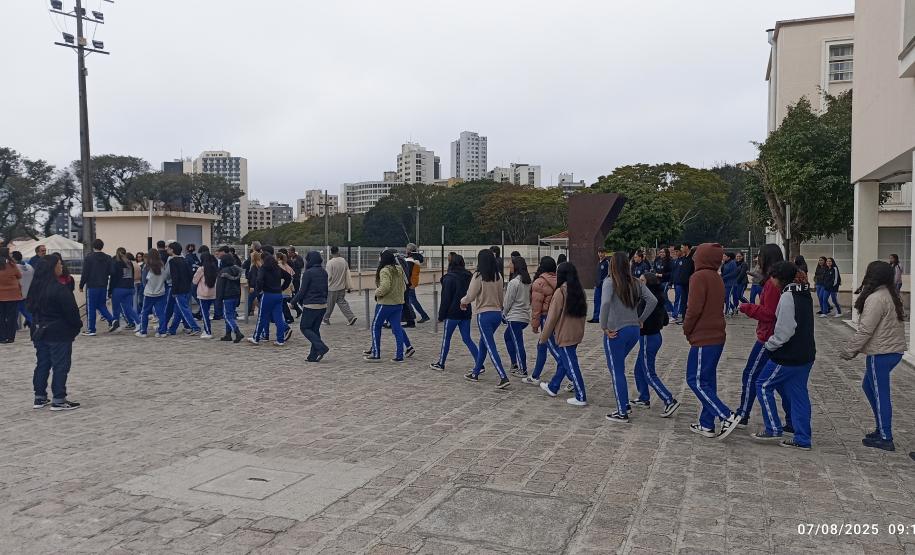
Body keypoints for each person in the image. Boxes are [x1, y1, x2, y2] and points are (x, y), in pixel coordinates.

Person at [840, 261, 907, 452]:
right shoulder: (891, 294)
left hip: (882, 353)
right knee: (868, 387)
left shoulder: (877, 298)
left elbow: (865, 330)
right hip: (889, 350)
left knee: (880, 393)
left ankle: (885, 436)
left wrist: (849, 350)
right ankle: (881, 429)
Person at [752, 262, 816, 450]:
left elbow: (785, 331)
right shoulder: (804, 292)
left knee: (762, 385)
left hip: (788, 355)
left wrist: (770, 345)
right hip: (806, 354)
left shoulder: (788, 297)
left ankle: (773, 427)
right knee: (799, 395)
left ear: (779, 278)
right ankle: (802, 437)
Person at [682, 243, 740, 439]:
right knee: (707, 380)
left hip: (703, 337)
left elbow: (694, 308)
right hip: (717, 336)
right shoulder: (716, 277)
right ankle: (706, 424)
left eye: (696, 255)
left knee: (695, 379)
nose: (693, 258)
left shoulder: (698, 277)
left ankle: (726, 415)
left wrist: (686, 328)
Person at [736, 244, 790, 429]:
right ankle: (792, 419)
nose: (757, 259)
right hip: (775, 335)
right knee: (781, 383)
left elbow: (769, 313)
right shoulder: (775, 282)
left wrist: (747, 308)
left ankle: (743, 413)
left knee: (751, 374)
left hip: (768, 337)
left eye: (760, 256)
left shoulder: (772, 285)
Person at [600, 252, 657, 423]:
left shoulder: (610, 282)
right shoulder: (636, 282)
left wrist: (603, 326)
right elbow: (652, 300)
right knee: (616, 367)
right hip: (633, 329)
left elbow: (604, 303)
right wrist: (641, 319)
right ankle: (624, 404)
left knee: (616, 370)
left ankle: (622, 410)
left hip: (616, 330)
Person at [26, 256, 82, 411]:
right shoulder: (59, 288)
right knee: (60, 365)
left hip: (39, 330)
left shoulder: (35, 288)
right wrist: (76, 326)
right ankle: (58, 398)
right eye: (59, 264)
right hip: (58, 332)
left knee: (42, 364)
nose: (61, 267)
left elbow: (29, 307)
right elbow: (71, 312)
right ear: (52, 268)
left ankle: (40, 396)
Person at [537, 262, 588, 406]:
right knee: (565, 362)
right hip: (576, 332)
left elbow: (551, 318)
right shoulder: (580, 291)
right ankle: (553, 386)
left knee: (571, 365)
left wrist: (543, 338)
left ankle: (581, 395)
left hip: (565, 333)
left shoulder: (561, 292)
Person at [632, 273, 680, 417]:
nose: (639, 283)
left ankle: (668, 399)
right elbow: (665, 320)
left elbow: (642, 320)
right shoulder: (658, 297)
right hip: (655, 336)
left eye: (642, 281)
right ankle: (643, 397)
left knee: (648, 372)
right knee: (638, 369)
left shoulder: (649, 300)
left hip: (648, 337)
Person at [462, 249, 510, 389]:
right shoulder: (498, 276)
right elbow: (501, 298)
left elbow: (470, 296)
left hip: (484, 314)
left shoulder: (478, 276)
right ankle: (476, 372)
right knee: (483, 343)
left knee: (490, 346)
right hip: (496, 313)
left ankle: (503, 376)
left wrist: (462, 301)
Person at [365, 249, 414, 362]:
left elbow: (385, 286)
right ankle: (399, 355)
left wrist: (377, 292)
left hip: (386, 303)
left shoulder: (384, 271)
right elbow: (404, 286)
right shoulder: (398, 268)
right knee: (397, 328)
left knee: (375, 327)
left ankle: (376, 353)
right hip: (398, 303)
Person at [431, 254, 478, 370]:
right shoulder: (469, 276)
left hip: (452, 313)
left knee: (446, 339)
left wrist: (441, 316)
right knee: (467, 338)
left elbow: (445, 299)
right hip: (466, 311)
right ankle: (479, 362)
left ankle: (441, 363)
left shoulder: (449, 278)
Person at [522, 256, 558, 385]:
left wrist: (535, 324)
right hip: (557, 316)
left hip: (545, 317)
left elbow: (536, 306)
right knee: (541, 346)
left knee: (553, 349)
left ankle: (571, 375)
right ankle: (536, 375)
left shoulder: (539, 282)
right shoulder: (559, 280)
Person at [292, 251, 330, 361]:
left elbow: (302, 291)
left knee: (304, 327)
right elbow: (326, 289)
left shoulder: (308, 273)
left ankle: (321, 347)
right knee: (314, 329)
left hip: (311, 304)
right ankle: (313, 355)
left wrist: (293, 302)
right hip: (322, 304)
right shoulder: (324, 272)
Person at [250, 248, 292, 346]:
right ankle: (280, 340)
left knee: (262, 317)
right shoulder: (277, 268)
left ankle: (256, 338)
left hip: (268, 294)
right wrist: (282, 287)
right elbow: (288, 277)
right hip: (278, 295)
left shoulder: (263, 268)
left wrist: (258, 291)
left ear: (263, 260)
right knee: (278, 318)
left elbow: (259, 280)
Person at [78, 239, 116, 336]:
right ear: (102, 246)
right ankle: (112, 320)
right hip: (103, 285)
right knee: (101, 305)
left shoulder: (89, 258)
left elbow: (85, 273)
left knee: (91, 307)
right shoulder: (108, 258)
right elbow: (112, 271)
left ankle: (91, 329)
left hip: (92, 285)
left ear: (93, 246)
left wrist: (81, 285)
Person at [502, 255, 532, 377]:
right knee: (507, 337)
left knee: (518, 342)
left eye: (511, 264)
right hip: (524, 315)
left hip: (515, 316)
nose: (509, 266)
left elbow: (508, 301)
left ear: (516, 266)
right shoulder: (528, 282)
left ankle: (522, 368)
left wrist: (504, 313)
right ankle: (514, 363)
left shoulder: (514, 282)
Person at [136, 249, 170, 338]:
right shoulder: (162, 266)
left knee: (145, 312)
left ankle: (143, 331)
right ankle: (162, 331)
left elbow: (144, 281)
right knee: (161, 313)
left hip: (149, 293)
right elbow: (166, 278)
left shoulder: (147, 267)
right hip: (161, 292)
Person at [109, 247, 141, 331]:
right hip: (130, 288)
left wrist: (110, 290)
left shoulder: (116, 263)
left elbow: (113, 278)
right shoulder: (129, 263)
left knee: (116, 308)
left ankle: (116, 324)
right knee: (129, 307)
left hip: (118, 289)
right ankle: (138, 322)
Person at [324, 246, 357, 326]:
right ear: (338, 251)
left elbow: (328, 276)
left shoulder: (330, 263)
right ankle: (351, 317)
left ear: (331, 253)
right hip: (342, 286)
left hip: (332, 287)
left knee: (329, 304)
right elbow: (347, 272)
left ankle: (325, 319)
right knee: (342, 302)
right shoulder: (343, 261)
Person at [215, 250, 243, 342]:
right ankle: (228, 334)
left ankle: (237, 332)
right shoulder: (236, 270)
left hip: (227, 296)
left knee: (227, 316)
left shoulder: (223, 272)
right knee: (231, 314)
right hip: (235, 295)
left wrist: (218, 300)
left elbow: (220, 287)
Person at [192, 253, 219, 339]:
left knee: (204, 313)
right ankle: (206, 330)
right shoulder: (215, 268)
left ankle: (208, 331)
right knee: (206, 312)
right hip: (213, 293)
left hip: (202, 294)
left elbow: (194, 281)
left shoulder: (201, 269)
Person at [0, 248, 23, 343]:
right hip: (13, 295)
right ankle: (10, 337)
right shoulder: (12, 265)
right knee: (12, 317)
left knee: (1, 317)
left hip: (1, 295)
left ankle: (2, 336)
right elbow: (19, 275)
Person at [405, 243, 430, 323]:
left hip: (410, 282)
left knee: (412, 300)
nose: (406, 250)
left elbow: (408, 272)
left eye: (407, 249)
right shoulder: (417, 257)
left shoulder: (411, 259)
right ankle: (413, 315)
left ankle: (423, 316)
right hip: (414, 281)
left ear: (409, 250)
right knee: (409, 300)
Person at [671, 243, 694, 324]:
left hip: (690, 284)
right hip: (682, 283)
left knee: (689, 301)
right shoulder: (684, 258)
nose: (681, 248)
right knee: (684, 301)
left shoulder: (692, 258)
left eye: (682, 247)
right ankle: (684, 318)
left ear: (686, 247)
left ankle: (689, 318)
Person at [12, 251, 34, 328]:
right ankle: (32, 323)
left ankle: (15, 326)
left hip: (17, 293)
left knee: (14, 312)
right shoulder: (29, 267)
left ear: (13, 258)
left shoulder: (14, 268)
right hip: (28, 293)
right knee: (26, 311)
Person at [589, 248, 610, 323]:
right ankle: (595, 317)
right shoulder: (599, 263)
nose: (600, 254)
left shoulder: (607, 262)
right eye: (599, 253)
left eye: (602, 252)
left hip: (603, 286)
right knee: (596, 301)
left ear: (605, 253)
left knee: (603, 302)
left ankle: (601, 317)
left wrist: (603, 282)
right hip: (597, 286)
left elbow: (608, 274)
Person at [652, 248, 673, 315]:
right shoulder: (657, 259)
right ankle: (665, 310)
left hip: (665, 281)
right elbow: (654, 268)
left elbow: (671, 273)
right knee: (659, 296)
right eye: (660, 252)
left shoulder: (670, 261)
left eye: (663, 252)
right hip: (657, 281)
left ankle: (670, 310)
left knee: (664, 296)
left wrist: (661, 275)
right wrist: (655, 273)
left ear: (666, 253)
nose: (661, 253)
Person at [277, 252, 296, 324]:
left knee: (283, 303)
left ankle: (288, 317)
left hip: (283, 286)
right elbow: (292, 274)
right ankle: (288, 317)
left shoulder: (279, 266)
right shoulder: (287, 265)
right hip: (288, 286)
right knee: (283, 303)